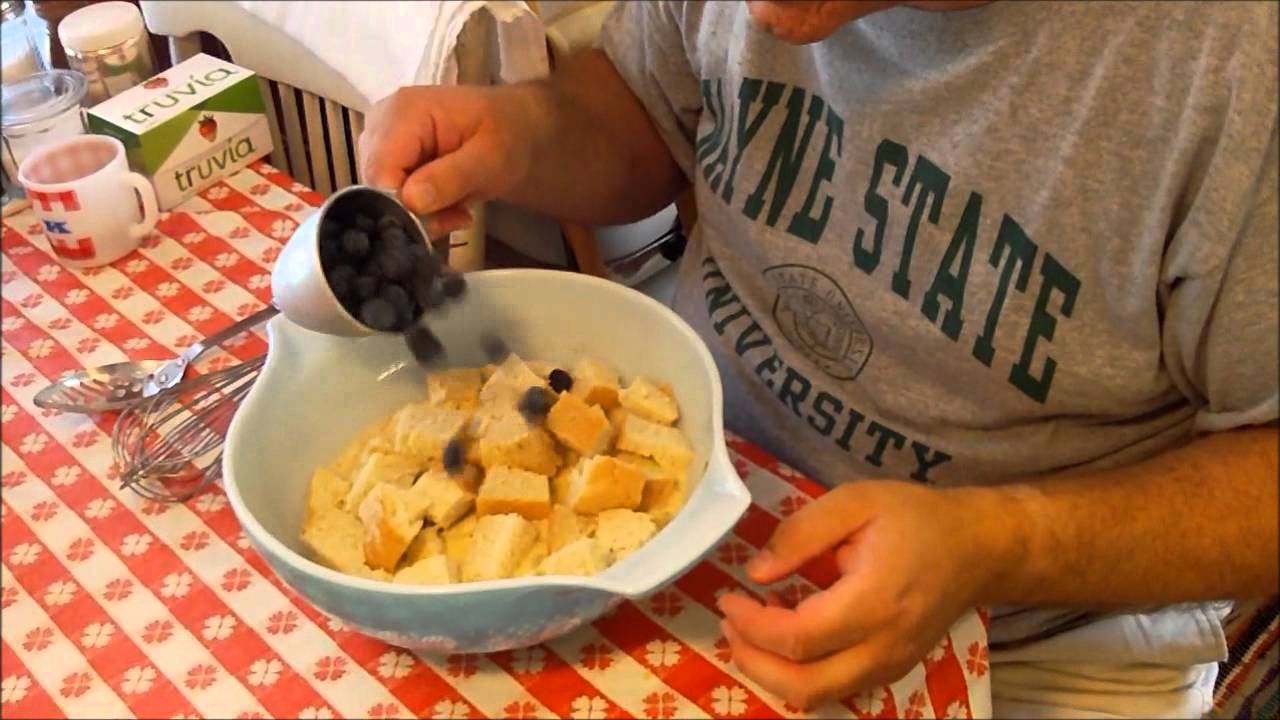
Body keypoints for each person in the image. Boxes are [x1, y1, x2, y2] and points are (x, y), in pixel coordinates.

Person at [359, 1, 1279, 716]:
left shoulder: (1234, 65)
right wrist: (521, 137)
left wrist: (1002, 543)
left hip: (1040, 629)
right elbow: (649, 111)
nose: (757, 18)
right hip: (690, 515)